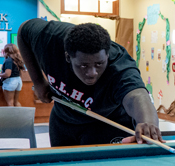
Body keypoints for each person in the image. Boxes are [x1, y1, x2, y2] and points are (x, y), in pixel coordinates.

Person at [17, 19, 163, 146]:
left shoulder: (120, 67)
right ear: (68, 57)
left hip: (108, 122)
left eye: (99, 64)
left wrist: (148, 122)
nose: (92, 73)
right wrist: (38, 81)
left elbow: (136, 96)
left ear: (107, 54)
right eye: (83, 66)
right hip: (63, 120)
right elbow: (24, 30)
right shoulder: (49, 39)